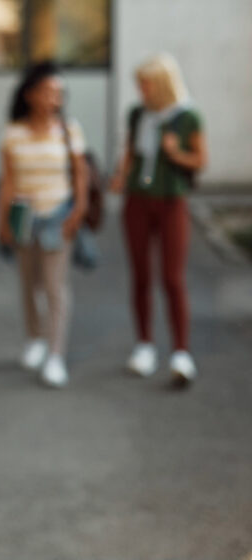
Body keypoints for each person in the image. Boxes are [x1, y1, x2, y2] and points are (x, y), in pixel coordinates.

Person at [108, 54, 206, 385]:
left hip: (171, 201)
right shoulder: (138, 114)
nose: (141, 89)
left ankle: (181, 352)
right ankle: (144, 346)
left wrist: (175, 152)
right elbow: (129, 152)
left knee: (172, 277)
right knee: (140, 275)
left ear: (162, 84)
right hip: (138, 200)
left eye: (145, 83)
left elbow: (200, 160)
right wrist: (120, 176)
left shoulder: (187, 116)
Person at [0, 62, 88, 389]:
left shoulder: (69, 129)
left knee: (54, 287)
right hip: (24, 218)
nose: (55, 98)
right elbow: (7, 180)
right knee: (28, 283)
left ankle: (55, 355)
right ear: (31, 94)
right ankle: (34, 338)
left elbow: (80, 173)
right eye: (49, 91)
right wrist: (3, 221)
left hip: (57, 217)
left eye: (59, 92)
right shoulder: (13, 132)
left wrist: (79, 210)